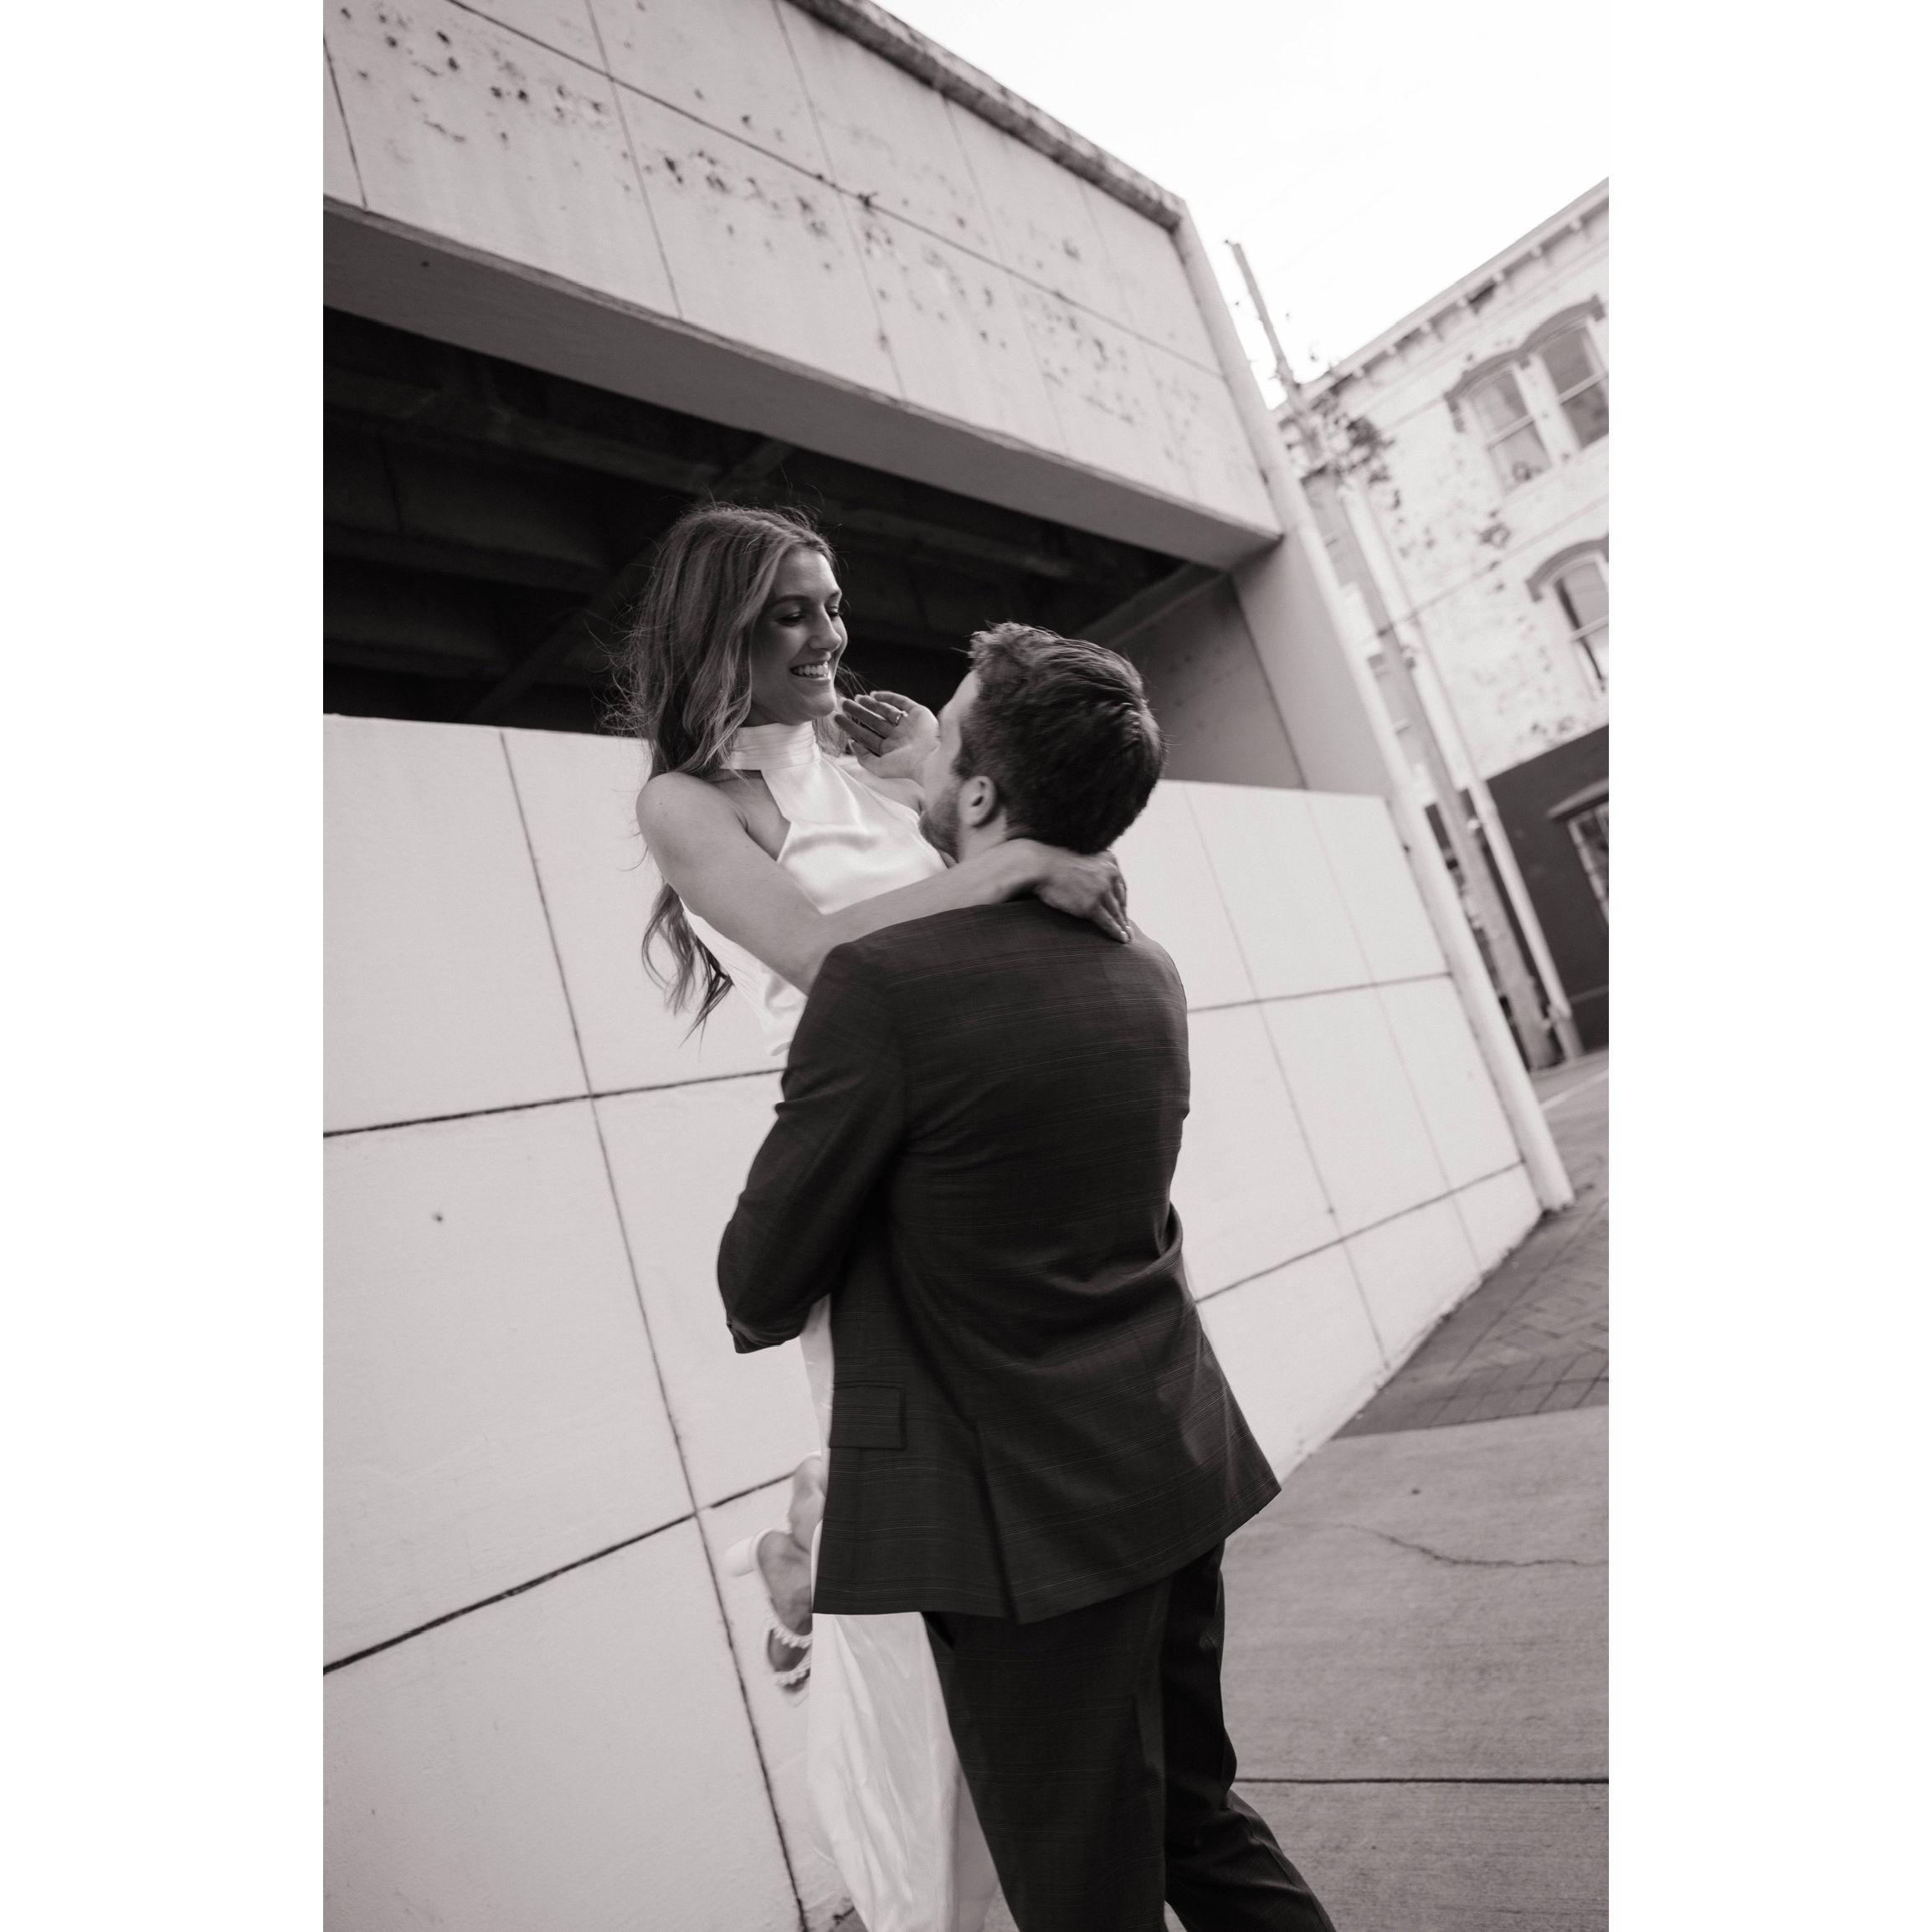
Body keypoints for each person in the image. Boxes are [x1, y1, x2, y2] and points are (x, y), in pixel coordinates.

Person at [717, 626, 1339, 1931]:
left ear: (988, 794)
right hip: (1167, 1467)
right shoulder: (1143, 968)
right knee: (1202, 1828)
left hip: (1024, 1539)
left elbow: (758, 1283)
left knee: (1080, 1897)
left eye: (946, 733)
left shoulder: (882, 988)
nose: (923, 747)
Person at [624, 501, 1128, 1932]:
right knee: (933, 1554)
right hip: (875, 1174)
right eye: (788, 612)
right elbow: (824, 955)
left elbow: (1051, 862)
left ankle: (815, 1538)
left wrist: (991, 826)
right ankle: (938, 1894)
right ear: (720, 626)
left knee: (1002, 1518)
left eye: (832, 603)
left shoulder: (880, 745)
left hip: (990, 1155)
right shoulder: (690, 804)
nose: (827, 636)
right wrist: (1003, 869)